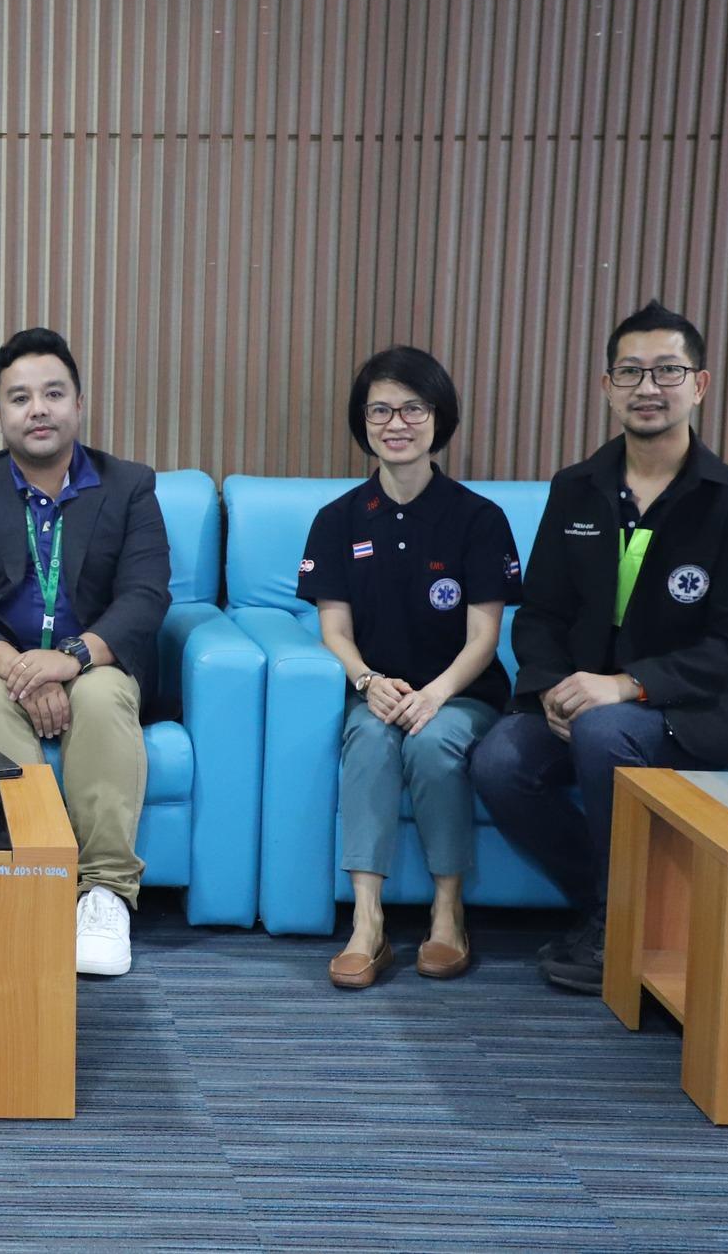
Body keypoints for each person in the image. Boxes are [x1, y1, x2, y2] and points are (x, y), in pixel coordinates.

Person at [471, 300, 728, 994]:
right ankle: (613, 904)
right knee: (498, 760)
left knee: (604, 730)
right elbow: (541, 612)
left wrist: (626, 685)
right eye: (631, 372)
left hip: (686, 711)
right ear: (607, 386)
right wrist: (549, 689)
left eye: (667, 370)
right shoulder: (576, 488)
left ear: (699, 385)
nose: (648, 387)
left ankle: (618, 923)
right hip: (582, 704)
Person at [0, 328, 171, 976]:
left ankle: (104, 892)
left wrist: (73, 658)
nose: (39, 409)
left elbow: (146, 595)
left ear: (78, 404)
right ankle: (24, 884)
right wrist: (19, 668)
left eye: (54, 394)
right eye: (20, 397)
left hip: (94, 663)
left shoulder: (129, 485)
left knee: (105, 693)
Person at [296, 347, 522, 988]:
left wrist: (436, 694)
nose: (396, 424)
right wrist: (367, 681)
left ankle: (447, 914)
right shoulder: (337, 519)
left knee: (433, 742)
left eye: (413, 409)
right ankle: (367, 924)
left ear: (438, 417)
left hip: (461, 694)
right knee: (370, 741)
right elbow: (334, 630)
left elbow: (484, 638)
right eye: (380, 411)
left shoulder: (479, 519)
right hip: (373, 691)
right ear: (363, 422)